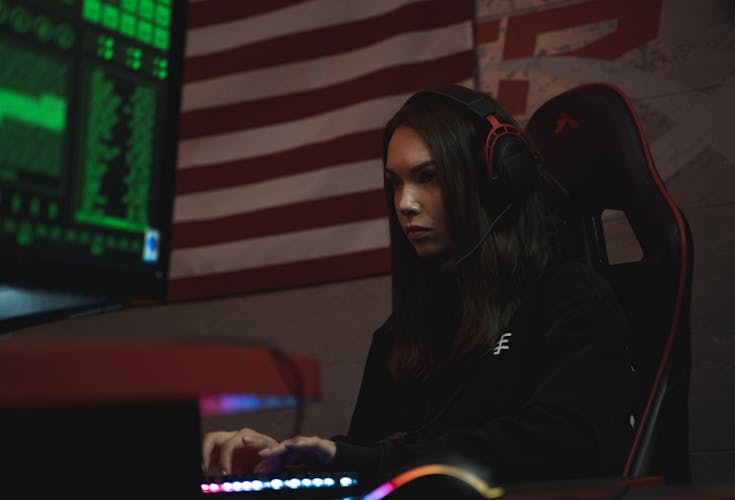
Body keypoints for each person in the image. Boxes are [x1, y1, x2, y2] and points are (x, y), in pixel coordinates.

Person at [202, 84, 640, 487]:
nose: (404, 204)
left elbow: (568, 441)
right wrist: (286, 460)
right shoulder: (402, 335)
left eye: (427, 177)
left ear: (493, 181)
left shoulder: (567, 298)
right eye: (395, 184)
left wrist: (363, 460)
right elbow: (376, 456)